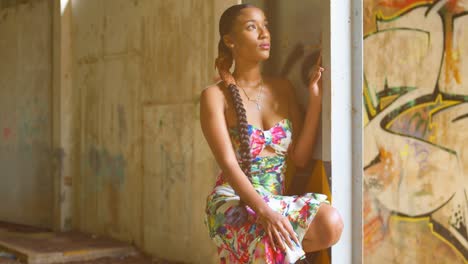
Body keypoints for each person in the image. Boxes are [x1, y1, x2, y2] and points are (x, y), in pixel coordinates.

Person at [200, 4, 343, 263]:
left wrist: (315, 102)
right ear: (230, 41)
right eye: (252, 27)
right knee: (270, 240)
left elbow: (299, 158)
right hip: (234, 200)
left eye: (265, 25)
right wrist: (264, 211)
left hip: (276, 199)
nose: (264, 33)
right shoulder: (214, 97)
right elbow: (228, 164)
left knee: (329, 222)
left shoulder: (283, 89)